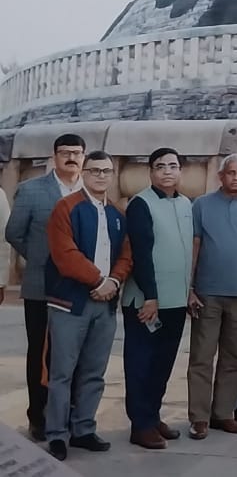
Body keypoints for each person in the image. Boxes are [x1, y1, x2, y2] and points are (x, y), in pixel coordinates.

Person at [42, 150, 133, 461]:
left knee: (94, 372)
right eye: (95, 170)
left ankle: (83, 429)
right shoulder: (66, 208)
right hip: (70, 303)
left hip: (105, 305)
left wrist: (115, 281)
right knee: (62, 373)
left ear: (112, 175)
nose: (101, 176)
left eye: (106, 171)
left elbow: (126, 254)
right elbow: (65, 255)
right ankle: (56, 434)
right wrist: (98, 281)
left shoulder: (117, 214)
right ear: (84, 173)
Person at [5, 132, 87, 440]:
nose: (71, 157)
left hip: (82, 287)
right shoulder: (31, 190)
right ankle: (38, 415)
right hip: (42, 285)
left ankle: (71, 415)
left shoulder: (91, 189)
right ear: (54, 157)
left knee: (76, 353)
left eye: (76, 153)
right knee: (41, 352)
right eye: (65, 152)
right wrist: (43, 259)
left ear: (84, 157)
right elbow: (14, 233)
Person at [186, 154, 237, 441]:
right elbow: (195, 246)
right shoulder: (201, 205)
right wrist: (189, 288)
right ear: (220, 176)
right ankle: (199, 418)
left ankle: (223, 413)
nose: (236, 177)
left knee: (236, 357)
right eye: (230, 173)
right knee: (201, 357)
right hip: (207, 294)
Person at [121, 147, 195, 450]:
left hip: (176, 299)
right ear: (151, 172)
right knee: (141, 363)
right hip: (147, 301)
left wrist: (190, 290)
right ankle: (140, 425)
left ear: (180, 171)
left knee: (163, 364)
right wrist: (150, 296)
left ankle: (152, 416)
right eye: (160, 166)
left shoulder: (186, 204)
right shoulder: (141, 204)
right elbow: (140, 253)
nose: (167, 171)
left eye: (173, 166)